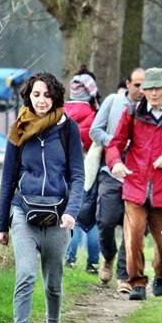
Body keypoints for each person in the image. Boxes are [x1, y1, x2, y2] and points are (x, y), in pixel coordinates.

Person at [0, 72, 85, 323]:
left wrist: (72, 212)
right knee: (25, 275)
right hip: (24, 213)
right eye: (36, 94)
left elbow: (77, 175)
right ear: (28, 97)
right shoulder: (19, 128)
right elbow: (7, 179)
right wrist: (1, 225)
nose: (42, 100)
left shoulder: (67, 128)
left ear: (55, 97)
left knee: (54, 283)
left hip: (58, 216)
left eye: (47, 95)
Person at [105, 67, 162, 301]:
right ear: (142, 90)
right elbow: (115, 143)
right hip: (135, 184)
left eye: (157, 88)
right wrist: (115, 164)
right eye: (149, 88)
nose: (153, 92)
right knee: (133, 238)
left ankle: (161, 273)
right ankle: (137, 282)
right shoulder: (133, 112)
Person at [89, 68, 145, 289]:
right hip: (111, 171)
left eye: (145, 86)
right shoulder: (113, 102)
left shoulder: (150, 111)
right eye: (137, 85)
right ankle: (108, 256)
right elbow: (95, 130)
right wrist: (116, 141)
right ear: (128, 84)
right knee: (105, 220)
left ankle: (123, 274)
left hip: (138, 174)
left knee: (132, 225)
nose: (141, 90)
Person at [64, 71, 101, 272]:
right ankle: (93, 263)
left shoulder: (61, 111)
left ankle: (69, 259)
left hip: (64, 171)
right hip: (86, 171)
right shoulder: (93, 115)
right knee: (90, 219)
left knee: (71, 216)